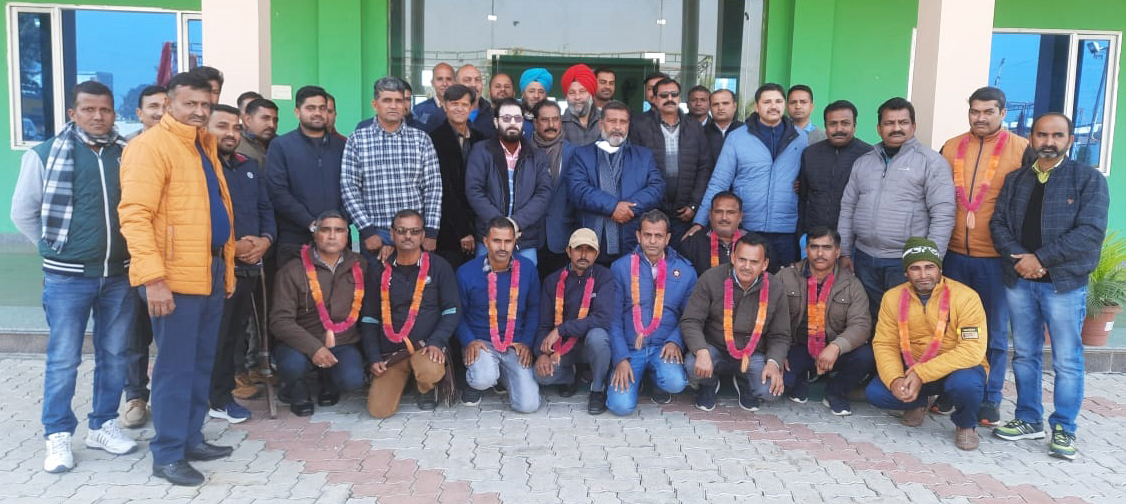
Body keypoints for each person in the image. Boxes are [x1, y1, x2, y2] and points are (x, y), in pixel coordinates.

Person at [10, 80, 138, 473]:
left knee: (114, 354)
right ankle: (58, 433)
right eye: (89, 109)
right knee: (64, 359)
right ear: (73, 113)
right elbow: (23, 212)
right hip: (67, 279)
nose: (98, 116)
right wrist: (54, 249)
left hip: (118, 274)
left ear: (114, 113)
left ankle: (102, 425)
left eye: (105, 109)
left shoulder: (126, 154)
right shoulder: (44, 154)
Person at [118, 72, 236, 486]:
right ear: (169, 104)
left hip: (209, 269)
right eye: (191, 104)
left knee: (201, 364)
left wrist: (226, 269)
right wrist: (153, 279)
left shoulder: (202, 144)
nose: (200, 111)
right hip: (173, 278)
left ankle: (190, 438)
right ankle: (167, 454)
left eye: (205, 104)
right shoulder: (149, 147)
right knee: (174, 368)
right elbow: (135, 216)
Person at [990, 112, 1109, 460]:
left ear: (1070, 140)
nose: (1049, 142)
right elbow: (998, 224)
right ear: (1031, 138)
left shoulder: (1087, 179)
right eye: (1042, 135)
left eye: (1057, 136)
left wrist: (1040, 259)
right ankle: (1029, 419)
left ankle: (1064, 427)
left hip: (1063, 284)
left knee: (1067, 359)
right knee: (1025, 354)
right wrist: (1021, 260)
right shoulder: (1016, 179)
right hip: (1020, 281)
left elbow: (1090, 232)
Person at [937, 87, 1033, 424]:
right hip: (953, 255)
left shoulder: (1021, 150)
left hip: (996, 258)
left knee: (992, 331)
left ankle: (990, 397)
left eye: (988, 112)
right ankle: (950, 391)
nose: (980, 118)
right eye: (974, 111)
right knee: (950, 327)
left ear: (1003, 113)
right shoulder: (950, 147)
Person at [838, 97, 955, 324]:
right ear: (879, 128)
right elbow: (848, 207)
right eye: (889, 123)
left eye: (903, 122)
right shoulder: (864, 162)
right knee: (869, 319)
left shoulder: (931, 162)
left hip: (905, 261)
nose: (896, 128)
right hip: (864, 258)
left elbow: (943, 214)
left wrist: (931, 261)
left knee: (905, 322)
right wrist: (844, 252)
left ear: (913, 126)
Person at [865, 238, 987, 451]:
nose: (923, 275)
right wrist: (895, 379)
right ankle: (920, 401)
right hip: (913, 367)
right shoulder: (892, 297)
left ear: (940, 269)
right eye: (915, 268)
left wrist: (921, 374)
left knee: (966, 386)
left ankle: (966, 424)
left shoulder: (966, 297)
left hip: (956, 369)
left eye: (929, 267)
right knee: (877, 393)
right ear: (906, 272)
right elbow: (885, 344)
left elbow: (971, 350)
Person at [205, 104, 275, 424]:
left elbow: (265, 208)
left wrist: (265, 241)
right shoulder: (200, 167)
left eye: (235, 127)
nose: (230, 133)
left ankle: (221, 397)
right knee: (215, 338)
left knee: (233, 335)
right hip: (215, 266)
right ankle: (212, 398)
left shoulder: (248, 166)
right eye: (222, 126)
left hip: (249, 265)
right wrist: (233, 248)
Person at [691, 83, 808, 271]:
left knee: (783, 282)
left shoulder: (800, 138)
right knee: (747, 279)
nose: (773, 106)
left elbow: (808, 176)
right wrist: (700, 221)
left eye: (778, 101)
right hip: (748, 227)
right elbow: (719, 182)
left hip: (786, 228)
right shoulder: (737, 137)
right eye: (767, 102)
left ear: (784, 105)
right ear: (757, 106)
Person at [362, 210, 460, 418]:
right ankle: (404, 379)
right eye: (402, 231)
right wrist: (373, 356)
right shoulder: (378, 269)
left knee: (430, 372)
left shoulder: (439, 266)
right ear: (392, 233)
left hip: (426, 348)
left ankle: (424, 387)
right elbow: (369, 318)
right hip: (392, 352)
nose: (408, 236)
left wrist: (437, 341)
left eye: (415, 231)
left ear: (423, 235)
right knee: (379, 410)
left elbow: (452, 310)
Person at [682, 230, 791, 412]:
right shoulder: (711, 278)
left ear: (764, 264)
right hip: (715, 346)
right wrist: (701, 350)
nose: (746, 267)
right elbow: (691, 320)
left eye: (754, 262)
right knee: (693, 365)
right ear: (733, 258)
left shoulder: (775, 287)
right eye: (742, 259)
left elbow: (780, 335)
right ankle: (709, 384)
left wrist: (773, 363)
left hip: (753, 352)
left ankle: (744, 381)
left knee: (770, 391)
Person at [270, 211, 367, 417]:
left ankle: (328, 380)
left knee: (353, 380)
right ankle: (295, 387)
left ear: (347, 236)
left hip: (343, 341)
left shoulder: (359, 265)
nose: (332, 236)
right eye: (325, 230)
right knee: (292, 366)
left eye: (339, 230)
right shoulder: (292, 269)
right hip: (300, 343)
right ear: (315, 234)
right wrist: (314, 348)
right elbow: (279, 321)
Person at [342, 77, 442, 265]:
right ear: (375, 104)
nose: (394, 106)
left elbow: (433, 188)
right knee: (377, 283)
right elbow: (349, 188)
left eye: (399, 100)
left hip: (414, 234)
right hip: (376, 233)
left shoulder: (421, 140)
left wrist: (430, 232)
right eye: (387, 100)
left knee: (417, 283)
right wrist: (367, 231)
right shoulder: (357, 140)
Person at [606, 210, 696, 416]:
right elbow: (614, 318)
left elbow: (690, 316)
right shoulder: (620, 267)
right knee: (621, 407)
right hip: (631, 348)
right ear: (638, 236)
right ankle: (635, 377)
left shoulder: (686, 271)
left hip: (663, 347)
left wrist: (675, 341)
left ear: (668, 238)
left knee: (675, 383)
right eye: (647, 235)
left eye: (658, 235)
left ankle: (656, 380)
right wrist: (620, 358)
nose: (652, 241)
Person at [777, 227, 873, 415]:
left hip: (834, 349)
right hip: (798, 346)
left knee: (866, 356)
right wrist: (776, 353)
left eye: (827, 248)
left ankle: (835, 392)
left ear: (837, 252)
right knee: (777, 385)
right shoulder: (785, 276)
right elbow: (767, 316)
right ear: (806, 250)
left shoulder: (852, 284)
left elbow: (861, 325)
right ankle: (803, 377)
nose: (820, 253)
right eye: (814, 247)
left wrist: (836, 347)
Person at [456, 217, 542, 413]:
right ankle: (476, 381)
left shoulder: (527, 268)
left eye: (508, 241)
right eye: (497, 241)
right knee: (482, 378)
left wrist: (526, 342)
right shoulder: (466, 272)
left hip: (514, 344)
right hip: (481, 343)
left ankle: (502, 375)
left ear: (515, 242)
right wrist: (469, 341)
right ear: (486, 242)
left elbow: (534, 308)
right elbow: (457, 313)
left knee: (529, 406)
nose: (502, 247)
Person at [121, 85, 167, 426]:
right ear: (139, 113)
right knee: (135, 335)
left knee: (168, 339)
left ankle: (167, 404)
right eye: (153, 106)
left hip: (168, 262)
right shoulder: (127, 149)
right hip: (129, 259)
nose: (160, 112)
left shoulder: (182, 151)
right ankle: (135, 397)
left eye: (166, 105)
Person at [568, 101, 665, 264]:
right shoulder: (582, 154)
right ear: (601, 124)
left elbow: (657, 188)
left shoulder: (644, 156)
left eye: (623, 122)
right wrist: (613, 207)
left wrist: (629, 208)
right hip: (592, 242)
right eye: (612, 121)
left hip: (631, 237)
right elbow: (578, 190)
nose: (618, 127)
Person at [535, 229, 618, 414]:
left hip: (591, 346)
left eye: (589, 250)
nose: (583, 255)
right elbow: (544, 324)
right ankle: (570, 376)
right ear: (568, 251)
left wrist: (562, 329)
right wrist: (541, 353)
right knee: (541, 376)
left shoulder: (604, 276)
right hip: (563, 348)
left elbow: (602, 318)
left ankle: (597, 388)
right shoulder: (552, 281)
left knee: (598, 336)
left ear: (597, 254)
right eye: (579, 249)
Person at [265, 85, 346, 265]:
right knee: (293, 284)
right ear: (297, 112)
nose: (317, 113)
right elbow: (277, 191)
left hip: (336, 239)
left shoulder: (342, 146)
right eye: (311, 108)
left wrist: (338, 224)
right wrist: (311, 223)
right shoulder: (281, 146)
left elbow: (353, 188)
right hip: (294, 240)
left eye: (322, 108)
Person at [629, 77, 713, 241]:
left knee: (681, 253)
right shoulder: (639, 126)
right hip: (650, 210)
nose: (669, 99)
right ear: (654, 99)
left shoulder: (694, 127)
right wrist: (644, 202)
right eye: (664, 95)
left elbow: (704, 167)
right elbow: (633, 168)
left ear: (679, 98)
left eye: (674, 95)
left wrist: (694, 204)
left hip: (684, 211)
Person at [430, 84, 486, 269]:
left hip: (479, 227)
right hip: (448, 230)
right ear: (444, 105)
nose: (459, 109)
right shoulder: (434, 139)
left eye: (464, 104)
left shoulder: (481, 139)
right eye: (454, 104)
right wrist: (462, 230)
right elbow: (442, 188)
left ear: (471, 107)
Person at [797, 100, 872, 235]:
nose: (839, 129)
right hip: (814, 235)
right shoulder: (810, 153)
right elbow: (802, 198)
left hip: (852, 237)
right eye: (833, 124)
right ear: (825, 126)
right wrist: (801, 234)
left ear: (854, 126)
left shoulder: (868, 155)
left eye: (845, 123)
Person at [531, 100, 578, 278]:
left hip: (562, 236)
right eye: (545, 120)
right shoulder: (523, 151)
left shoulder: (575, 153)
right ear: (535, 123)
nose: (551, 125)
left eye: (555, 119)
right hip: (530, 237)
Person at [676, 191, 745, 277]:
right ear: (710, 215)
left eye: (730, 212)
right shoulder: (692, 243)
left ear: (740, 216)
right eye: (718, 212)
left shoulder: (752, 243)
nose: (724, 217)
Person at [560, 64, 602, 146]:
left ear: (591, 94)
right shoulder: (558, 124)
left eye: (582, 91)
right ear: (566, 97)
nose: (577, 97)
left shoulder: (605, 120)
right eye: (572, 93)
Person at [455, 64, 496, 138]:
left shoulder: (494, 116)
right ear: (456, 85)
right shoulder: (442, 116)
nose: (473, 84)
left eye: (477, 80)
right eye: (467, 80)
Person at [413, 62, 455, 132]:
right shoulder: (419, 110)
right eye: (439, 79)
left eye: (448, 79)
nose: (444, 84)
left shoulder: (462, 109)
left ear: (454, 82)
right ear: (432, 83)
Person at [702, 89, 742, 163]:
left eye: (725, 103)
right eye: (715, 104)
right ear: (710, 108)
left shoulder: (746, 131)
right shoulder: (701, 133)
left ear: (734, 106)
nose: (720, 108)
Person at [237, 98, 279, 167]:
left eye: (275, 120)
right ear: (248, 120)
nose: (272, 125)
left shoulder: (281, 145)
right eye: (265, 118)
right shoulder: (236, 146)